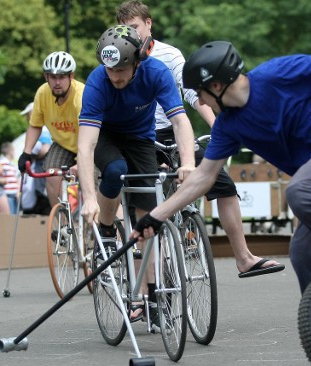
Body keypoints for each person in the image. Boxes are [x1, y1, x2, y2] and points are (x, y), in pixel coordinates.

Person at [133, 23, 311, 306]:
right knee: (304, 253)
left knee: (299, 190)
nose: (202, 103)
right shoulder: (228, 126)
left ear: (218, 85)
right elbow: (203, 177)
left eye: (202, 94)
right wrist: (155, 217)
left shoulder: (276, 74)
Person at [116, 0, 283, 278]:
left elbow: (194, 93)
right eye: (125, 30)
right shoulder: (122, 59)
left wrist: (218, 126)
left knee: (222, 181)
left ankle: (243, 257)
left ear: (148, 24)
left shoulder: (170, 56)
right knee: (141, 198)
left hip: (174, 131)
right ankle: (144, 284)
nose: (132, 35)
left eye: (134, 27)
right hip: (140, 136)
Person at [77, 25, 197, 328]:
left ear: (138, 62)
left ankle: (148, 294)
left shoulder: (156, 73)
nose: (115, 76)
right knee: (115, 171)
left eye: (122, 69)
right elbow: (86, 144)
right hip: (106, 137)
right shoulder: (97, 82)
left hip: (141, 138)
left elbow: (180, 121)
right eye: (110, 69)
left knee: (148, 220)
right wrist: (89, 198)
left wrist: (188, 163)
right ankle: (105, 228)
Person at [17, 51, 84, 208]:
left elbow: (90, 133)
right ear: (46, 77)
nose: (57, 82)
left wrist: (82, 162)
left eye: (61, 77)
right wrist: (26, 153)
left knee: (92, 182)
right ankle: (63, 224)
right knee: (51, 175)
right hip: (63, 143)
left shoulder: (80, 95)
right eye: (53, 77)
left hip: (90, 143)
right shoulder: (42, 92)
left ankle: (98, 223)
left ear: (71, 76)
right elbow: (35, 125)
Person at [0, 142, 20, 214]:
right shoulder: (2, 163)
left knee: (15, 215)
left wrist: (18, 192)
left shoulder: (12, 164)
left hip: (14, 194)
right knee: (10, 215)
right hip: (7, 194)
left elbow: (16, 179)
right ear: (10, 151)